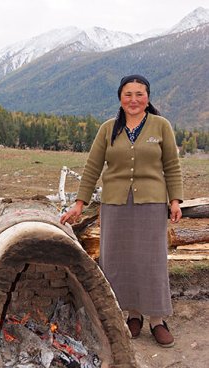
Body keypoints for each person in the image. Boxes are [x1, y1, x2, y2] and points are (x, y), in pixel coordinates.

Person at [60, 74, 183, 347]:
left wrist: (175, 200)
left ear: (148, 97)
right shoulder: (108, 129)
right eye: (128, 94)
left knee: (151, 260)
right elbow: (93, 167)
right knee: (119, 260)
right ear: (120, 98)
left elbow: (172, 166)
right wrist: (80, 203)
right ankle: (132, 314)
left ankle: (157, 320)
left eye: (140, 94)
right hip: (115, 205)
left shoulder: (161, 126)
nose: (134, 100)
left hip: (151, 204)